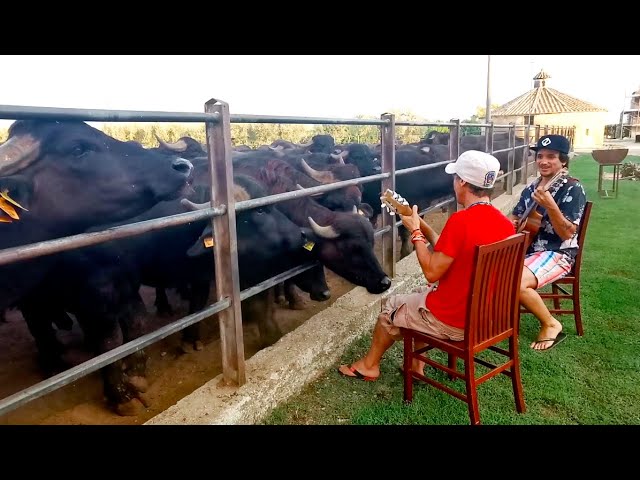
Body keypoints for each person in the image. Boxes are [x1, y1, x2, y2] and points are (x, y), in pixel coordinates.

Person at [338, 150, 515, 381]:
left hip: (455, 322)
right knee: (420, 296)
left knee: (390, 307)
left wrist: (415, 233)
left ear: (462, 181)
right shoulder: (504, 223)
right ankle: (416, 366)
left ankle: (369, 366)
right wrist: (418, 222)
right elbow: (448, 248)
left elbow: (432, 272)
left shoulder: (461, 222)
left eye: (455, 178)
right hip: (487, 318)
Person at [510, 134, 587, 351]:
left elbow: (567, 233)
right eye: (540, 156)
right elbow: (516, 217)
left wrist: (551, 206)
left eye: (551, 156)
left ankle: (551, 324)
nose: (544, 161)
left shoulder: (572, 188)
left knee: (514, 280)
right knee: (489, 269)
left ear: (563, 160)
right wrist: (514, 223)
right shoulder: (531, 188)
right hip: (527, 249)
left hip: (558, 253)